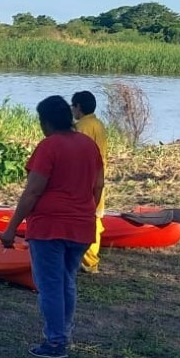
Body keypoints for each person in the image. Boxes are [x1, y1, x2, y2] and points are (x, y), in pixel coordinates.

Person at [0, 95, 104, 358]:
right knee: (67, 280)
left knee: (50, 285)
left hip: (50, 226)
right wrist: (87, 210)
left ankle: (55, 342)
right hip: (81, 226)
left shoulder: (49, 146)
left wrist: (12, 228)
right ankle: (64, 334)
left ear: (46, 122)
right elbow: (99, 185)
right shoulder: (89, 146)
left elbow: (33, 192)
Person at [71, 90, 109, 274]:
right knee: (95, 218)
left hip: (86, 180)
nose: (72, 109)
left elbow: (79, 154)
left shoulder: (82, 126)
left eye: (73, 106)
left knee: (86, 220)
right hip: (99, 177)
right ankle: (89, 261)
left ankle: (88, 262)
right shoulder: (99, 124)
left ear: (78, 107)